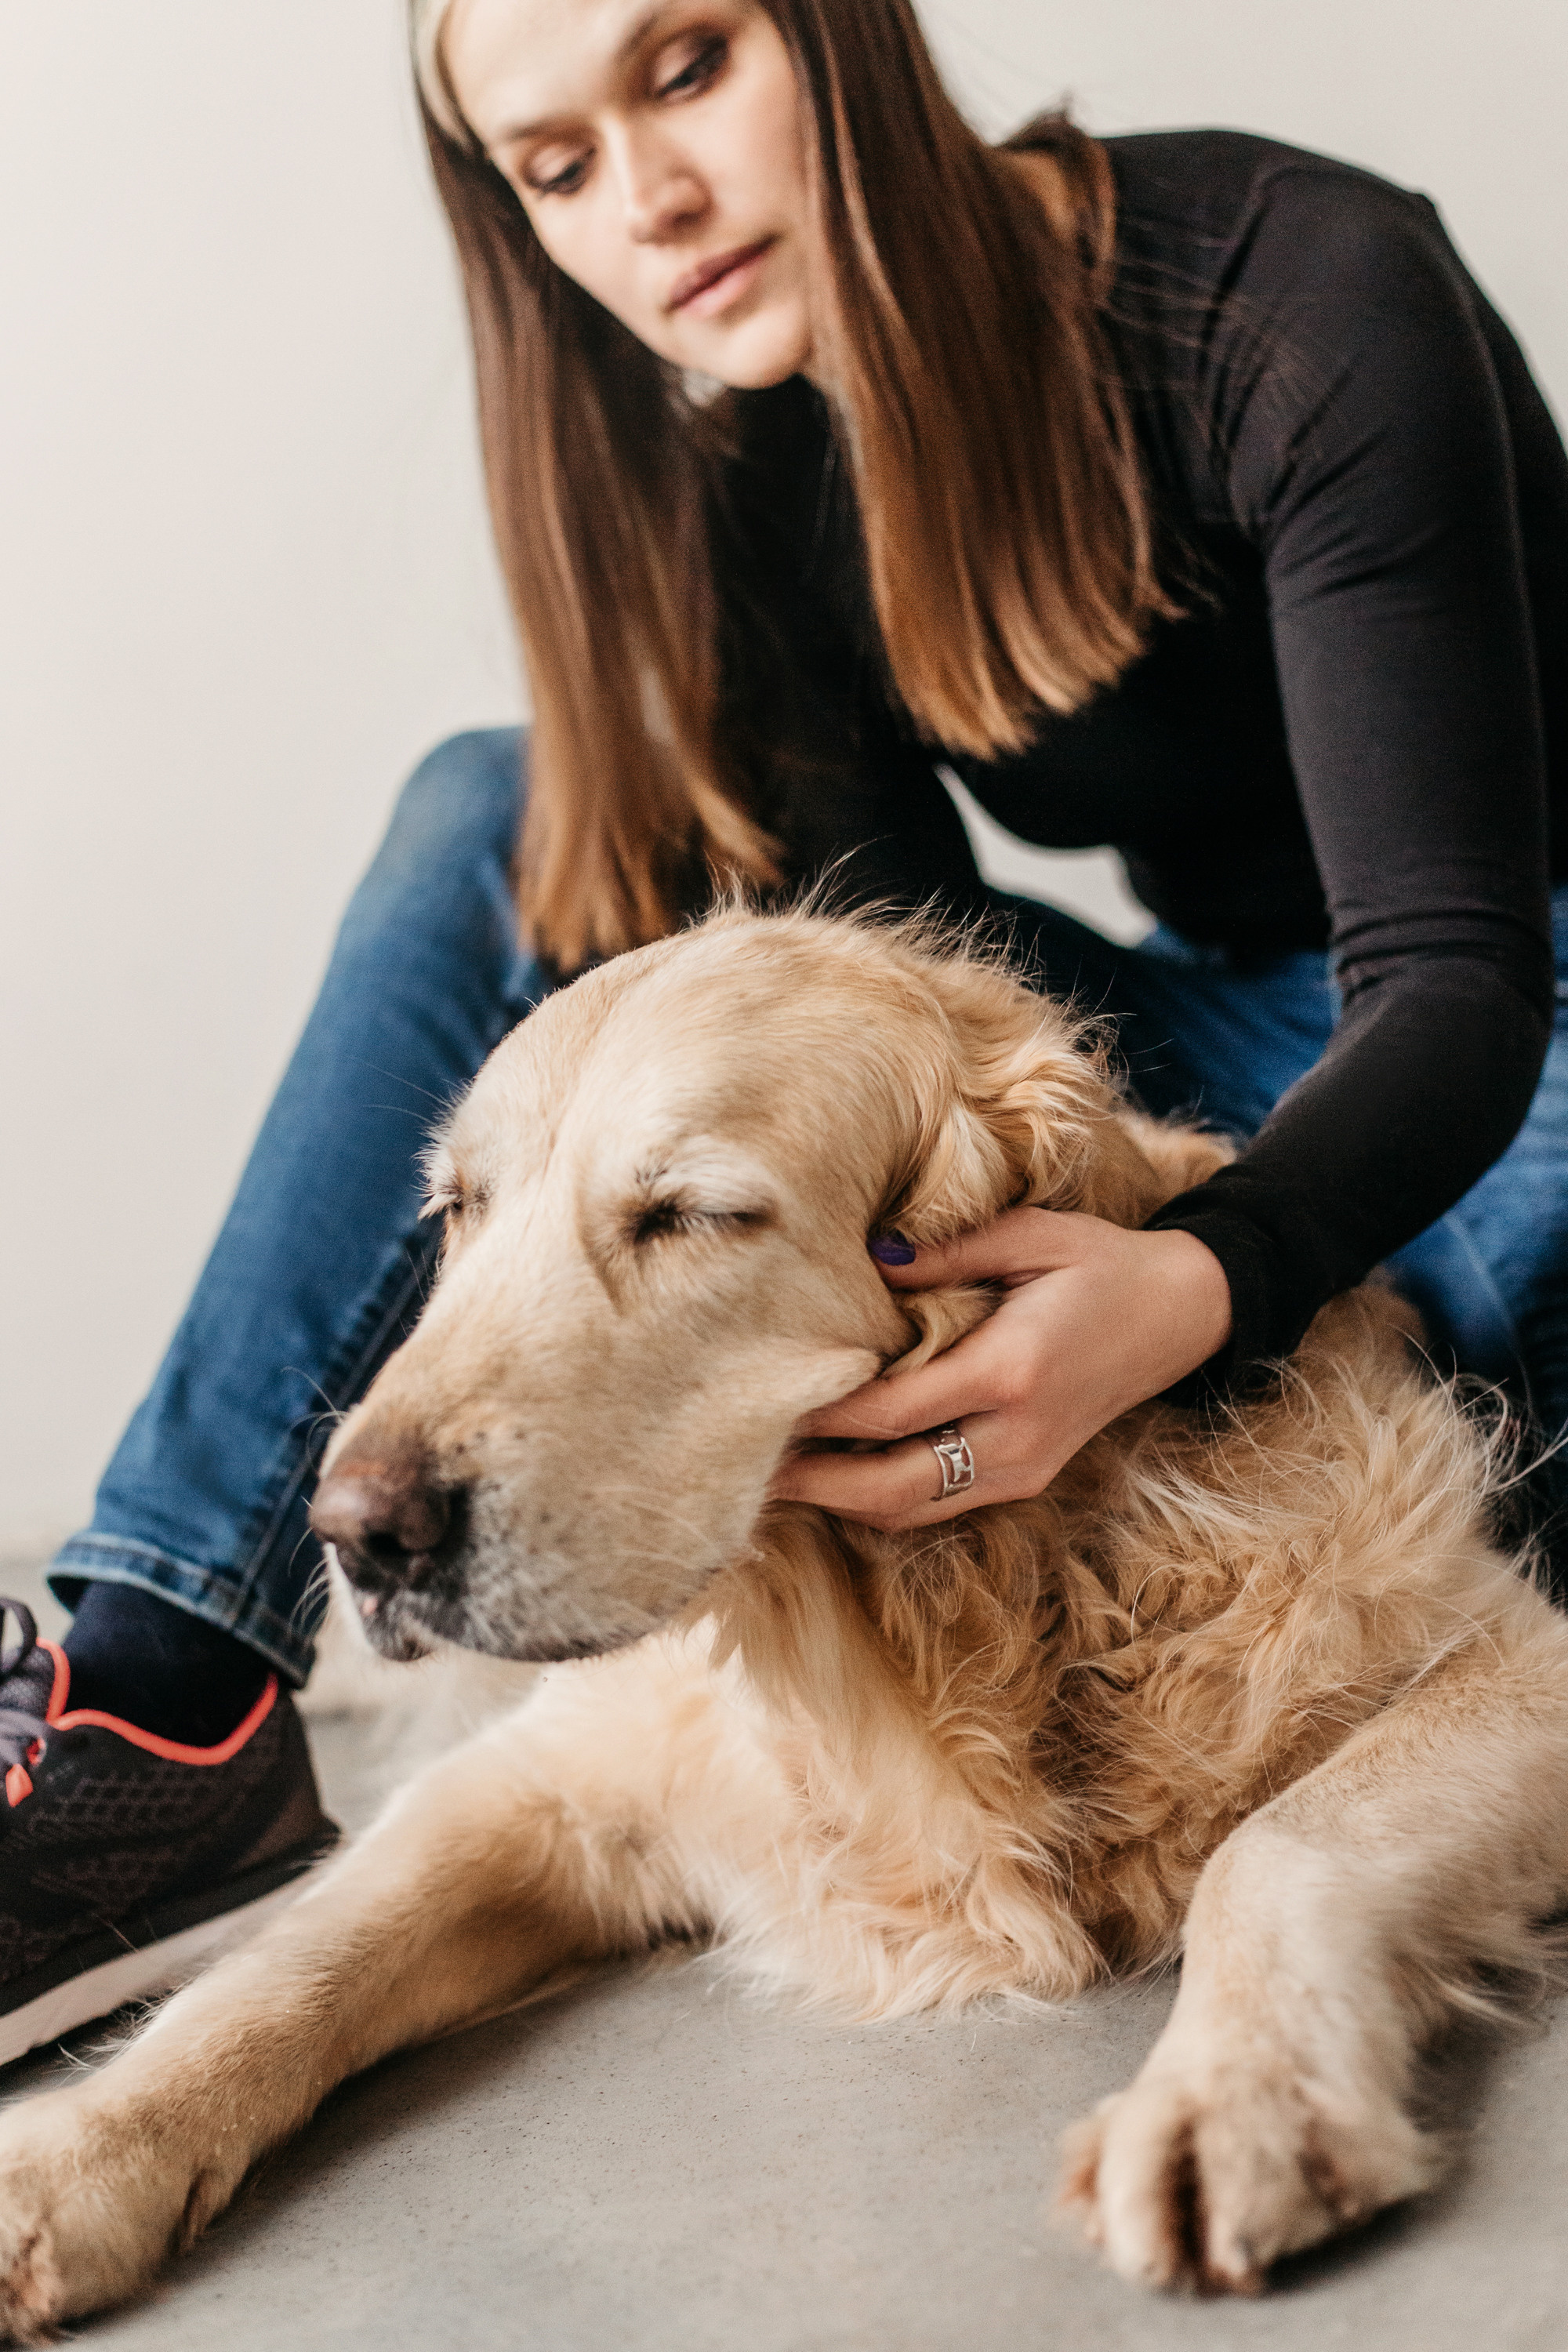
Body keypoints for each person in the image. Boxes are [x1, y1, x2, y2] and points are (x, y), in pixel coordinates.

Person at [2, 0, 1564, 2062]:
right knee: (507, 810)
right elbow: (872, 1014)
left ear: (847, 37)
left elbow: (1455, 973)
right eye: (555, 167)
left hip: (1513, 1017)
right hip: (1214, 1040)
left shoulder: (1293, 288)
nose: (647, 198)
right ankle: (165, 1694)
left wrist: (1194, 1280)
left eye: (686, 66)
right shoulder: (737, 465)